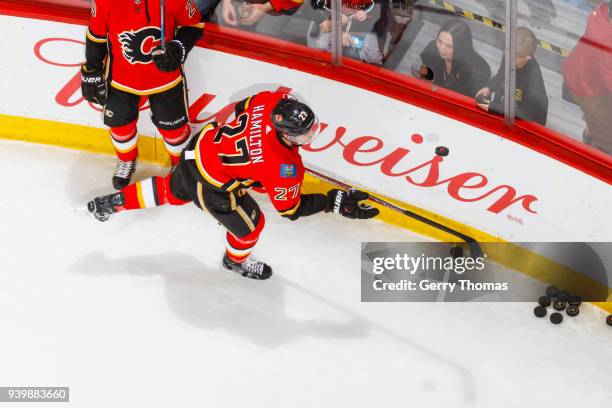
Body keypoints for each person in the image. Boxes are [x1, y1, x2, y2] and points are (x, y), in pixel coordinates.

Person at [86, 91, 379, 279]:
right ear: (286, 133)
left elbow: (238, 108)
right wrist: (333, 201)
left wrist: (253, 166)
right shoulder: (284, 168)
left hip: (198, 148)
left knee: (171, 189)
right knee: (252, 226)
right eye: (303, 135)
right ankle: (235, 262)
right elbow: (290, 210)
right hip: (211, 184)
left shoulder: (268, 101)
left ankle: (111, 203)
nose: (308, 138)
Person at [81, 0, 204, 190]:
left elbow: (194, 25)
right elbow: (96, 36)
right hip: (121, 80)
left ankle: (180, 166)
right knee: (121, 128)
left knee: (175, 131)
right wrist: (92, 68)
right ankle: (127, 160)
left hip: (166, 80)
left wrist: (179, 47)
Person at [563, 1, 612, 154]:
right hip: (588, 87)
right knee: (607, 137)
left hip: (577, 71)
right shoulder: (606, 42)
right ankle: (597, 150)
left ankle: (591, 131)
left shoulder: (602, 11)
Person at [475, 27, 549, 126]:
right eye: (506, 54)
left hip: (524, 128)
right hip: (502, 113)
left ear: (528, 57)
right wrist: (489, 88)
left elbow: (525, 115)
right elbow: (501, 76)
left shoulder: (533, 79)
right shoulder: (509, 57)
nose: (508, 59)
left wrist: (492, 106)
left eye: (514, 57)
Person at [416, 20, 490, 98]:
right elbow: (422, 77)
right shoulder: (432, 49)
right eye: (439, 41)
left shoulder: (479, 70)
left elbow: (474, 101)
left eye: (449, 46)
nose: (441, 49)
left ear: (461, 48)